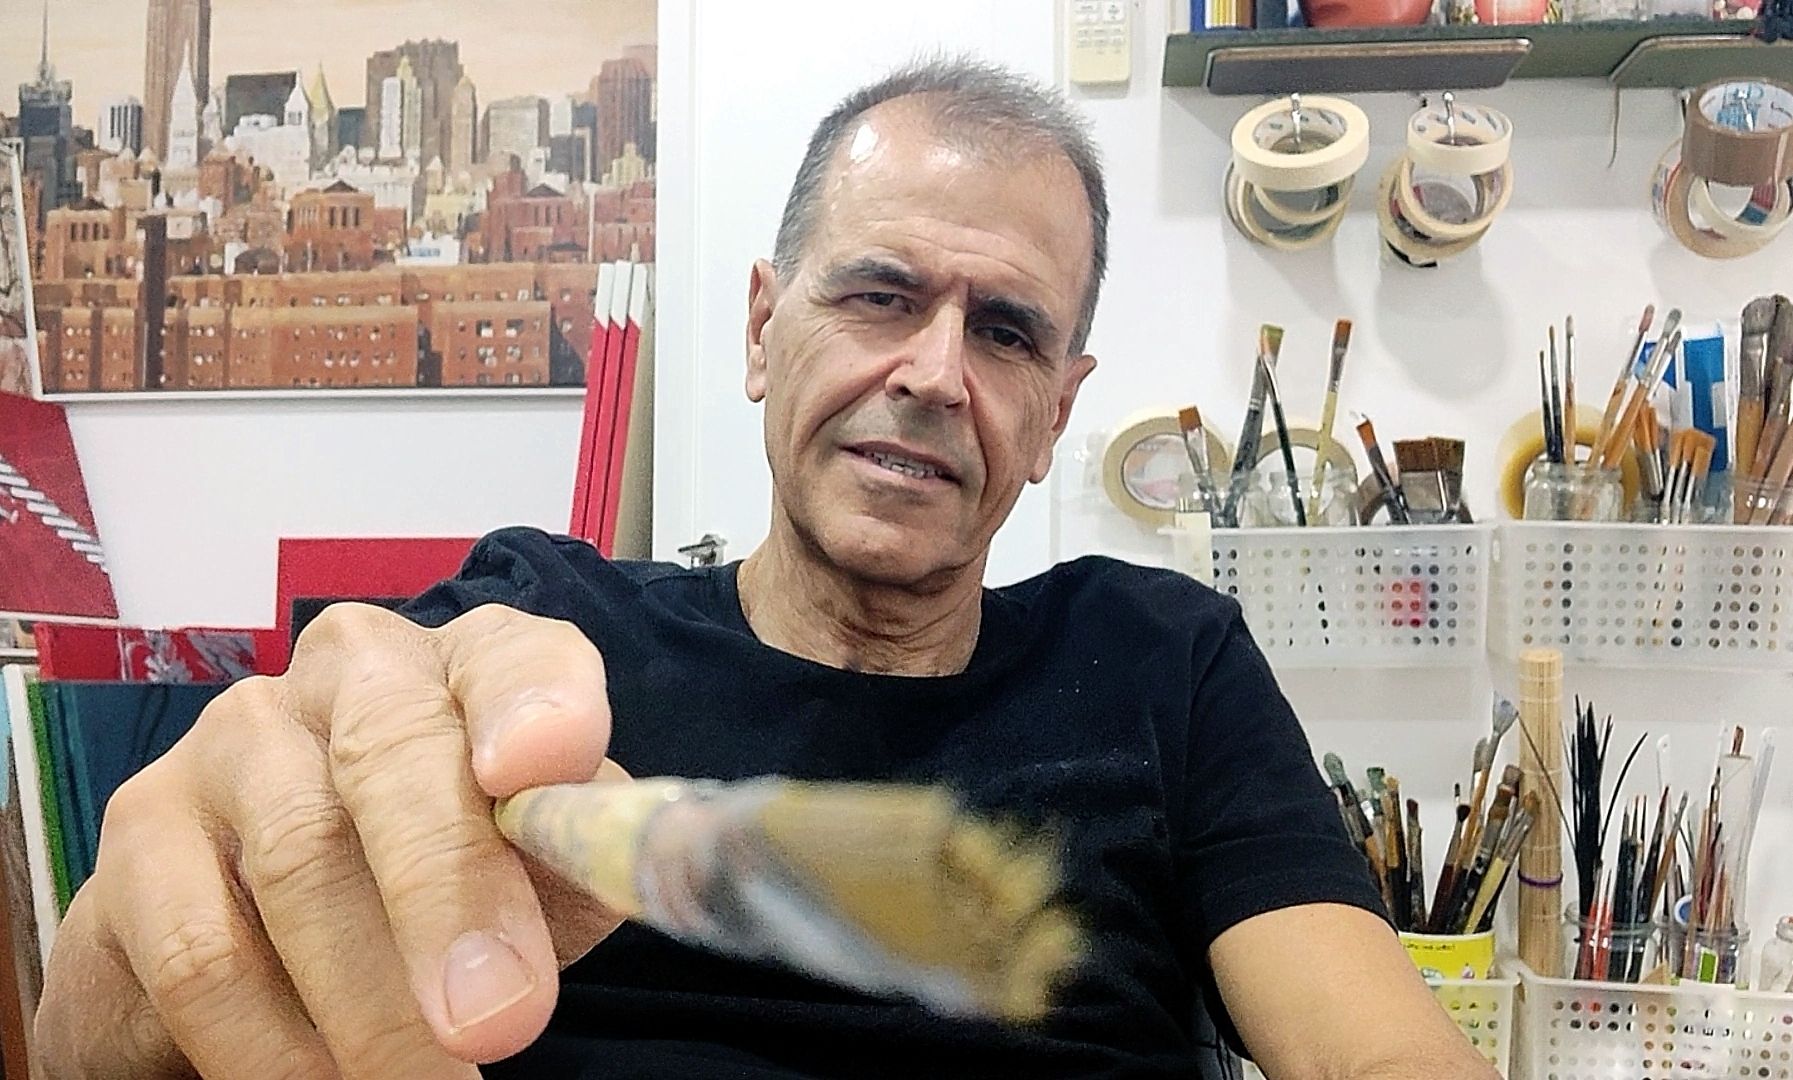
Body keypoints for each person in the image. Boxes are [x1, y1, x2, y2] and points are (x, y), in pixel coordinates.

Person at [36, 58, 1497, 1079]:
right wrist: (143, 947)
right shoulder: (538, 630)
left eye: (1005, 333)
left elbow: (1368, 1048)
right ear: (759, 330)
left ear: (1057, 412)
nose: (932, 374)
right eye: (878, 295)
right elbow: (107, 1031)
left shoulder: (1167, 659)